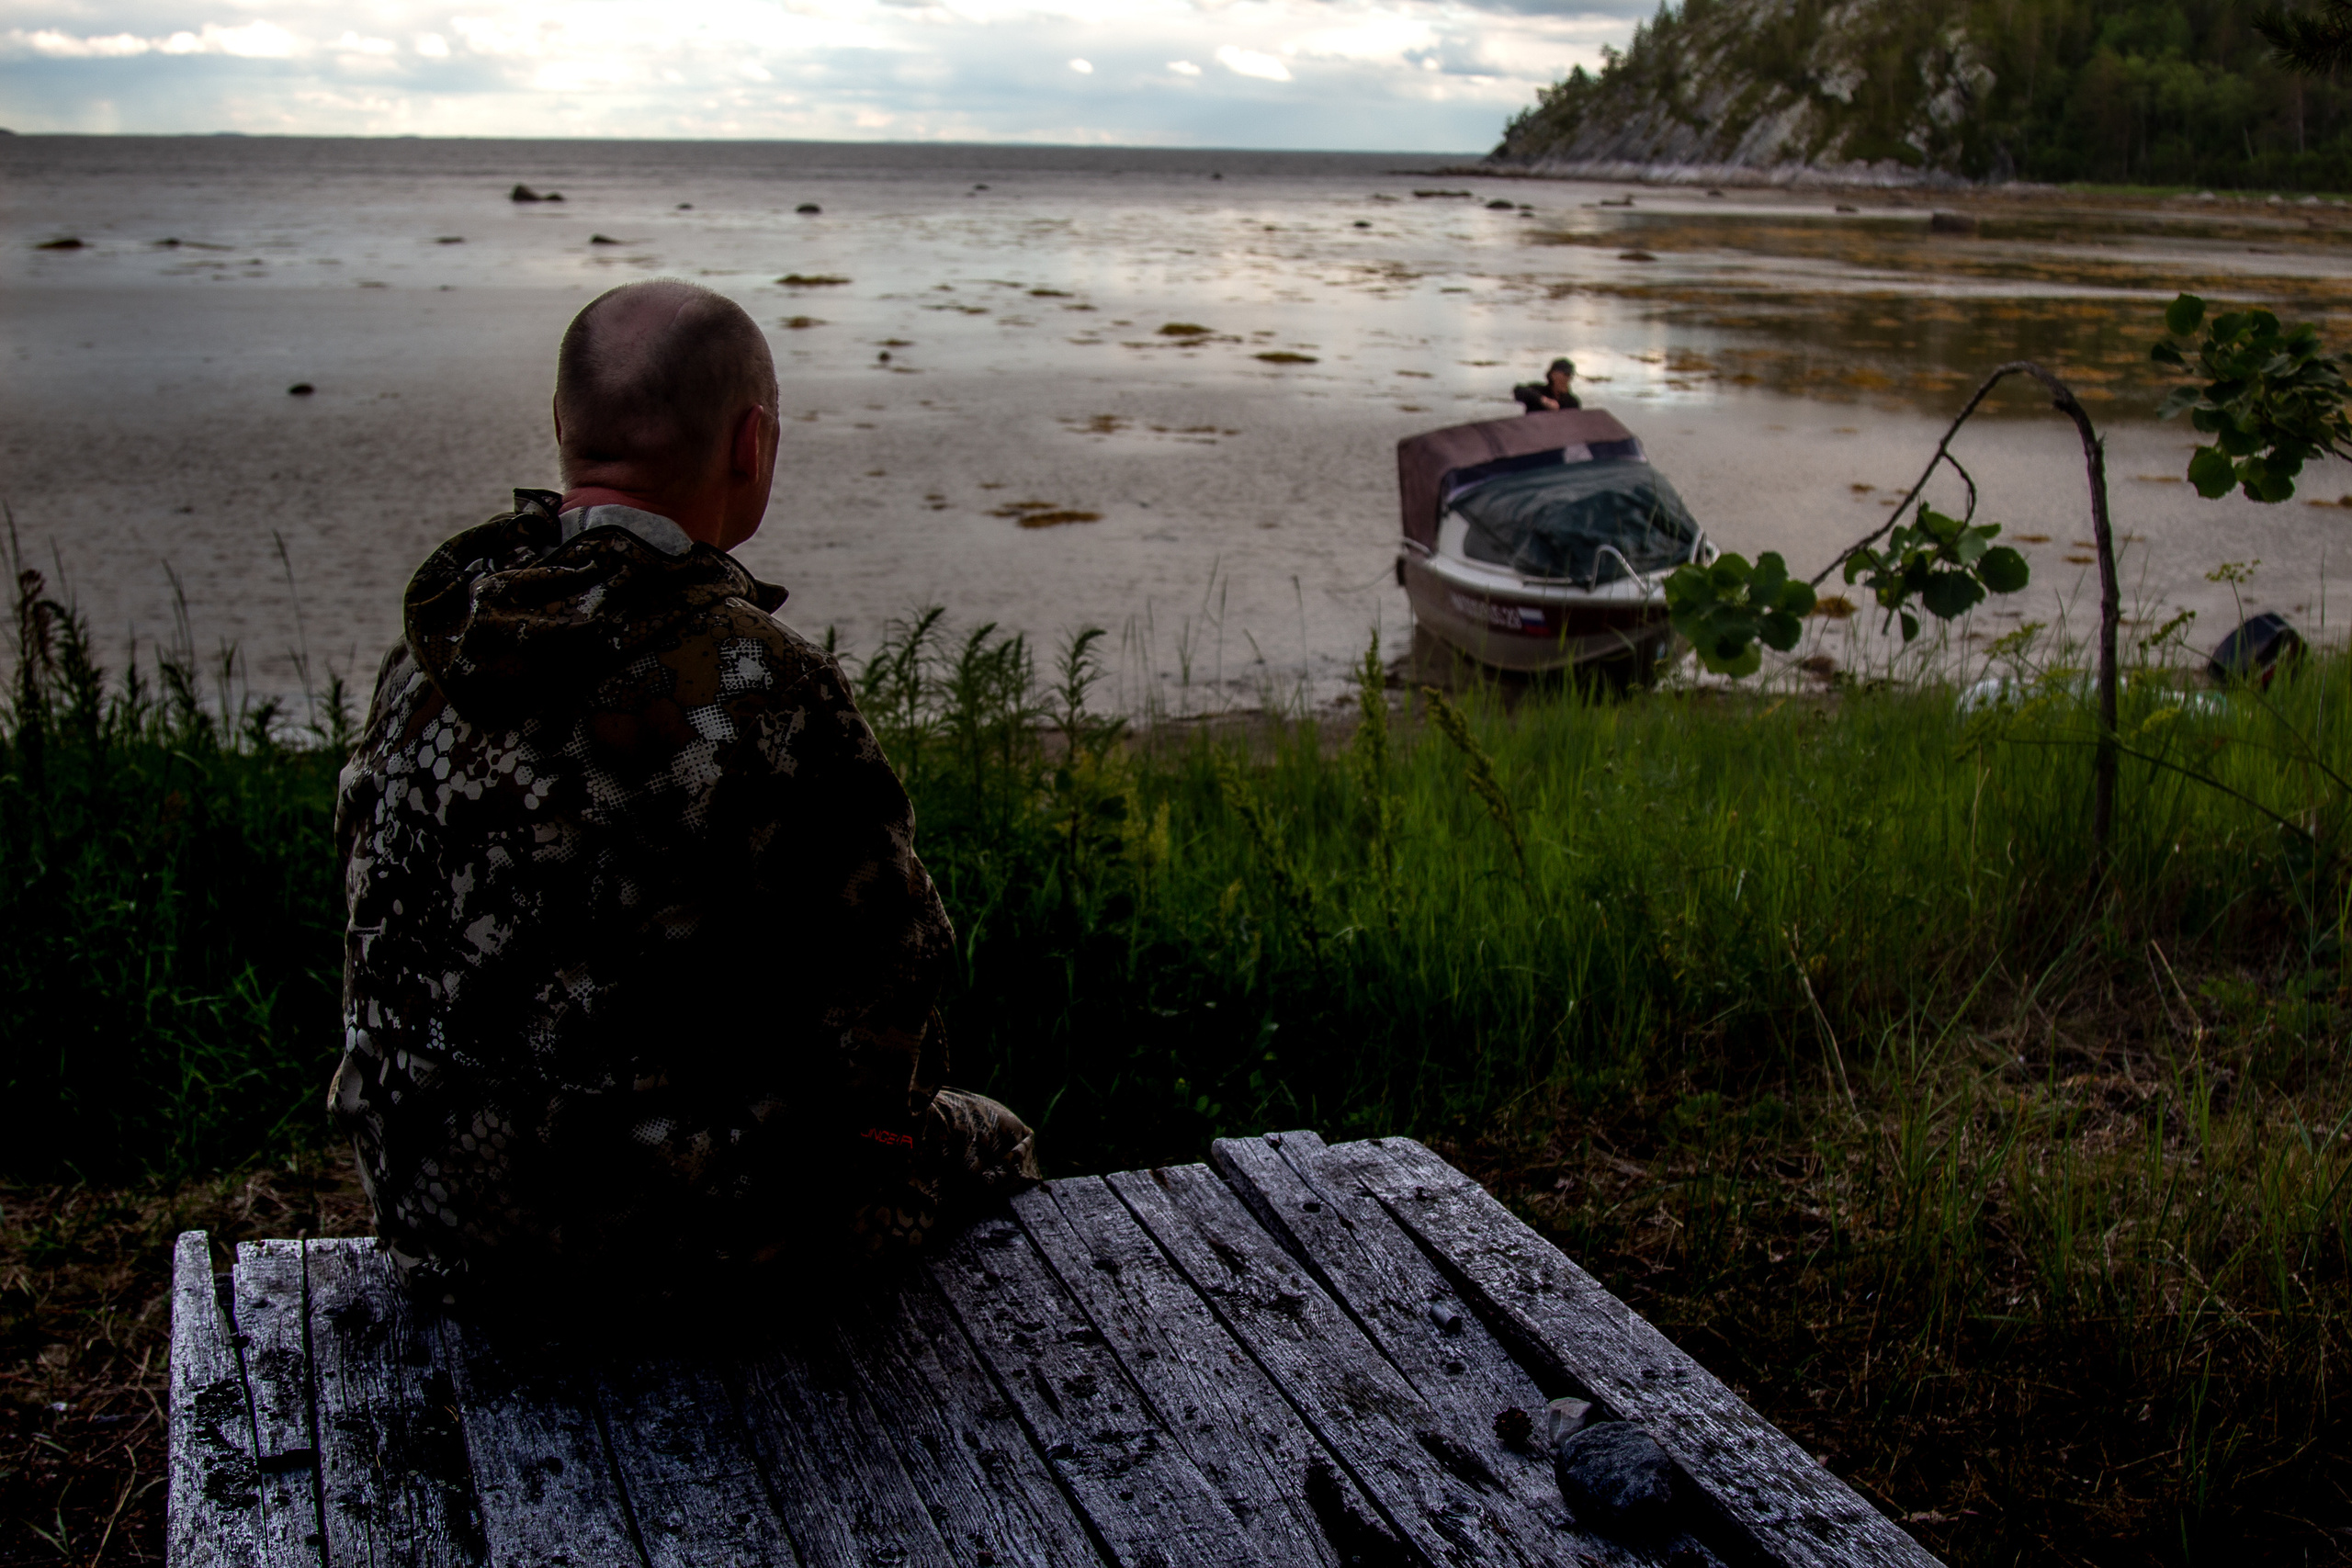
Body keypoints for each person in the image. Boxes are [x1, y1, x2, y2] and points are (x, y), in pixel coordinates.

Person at [328, 278, 1038, 1300]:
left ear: (562, 426)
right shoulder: (758, 680)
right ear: (753, 442)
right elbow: (893, 986)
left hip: (428, 1208)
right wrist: (874, 1140)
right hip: (672, 1242)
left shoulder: (430, 658)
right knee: (992, 1137)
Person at [1512, 356, 1581, 412]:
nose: (1568, 379)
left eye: (1571, 376)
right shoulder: (1538, 390)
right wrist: (1543, 400)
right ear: (1553, 375)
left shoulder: (1572, 402)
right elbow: (1518, 391)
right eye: (1566, 375)